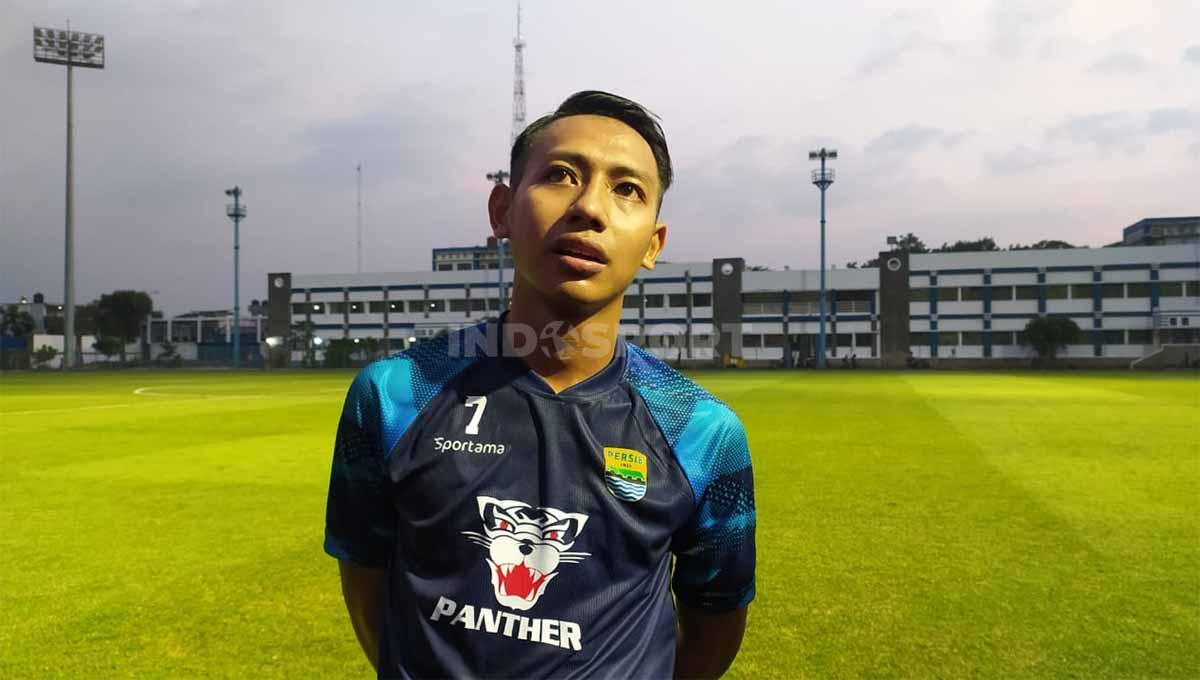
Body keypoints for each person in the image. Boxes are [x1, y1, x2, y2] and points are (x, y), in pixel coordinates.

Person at [324, 91, 756, 679]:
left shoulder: (700, 430)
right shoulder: (395, 394)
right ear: (501, 210)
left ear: (653, 244)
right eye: (560, 175)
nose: (589, 208)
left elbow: (714, 626)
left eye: (626, 189)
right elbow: (367, 582)